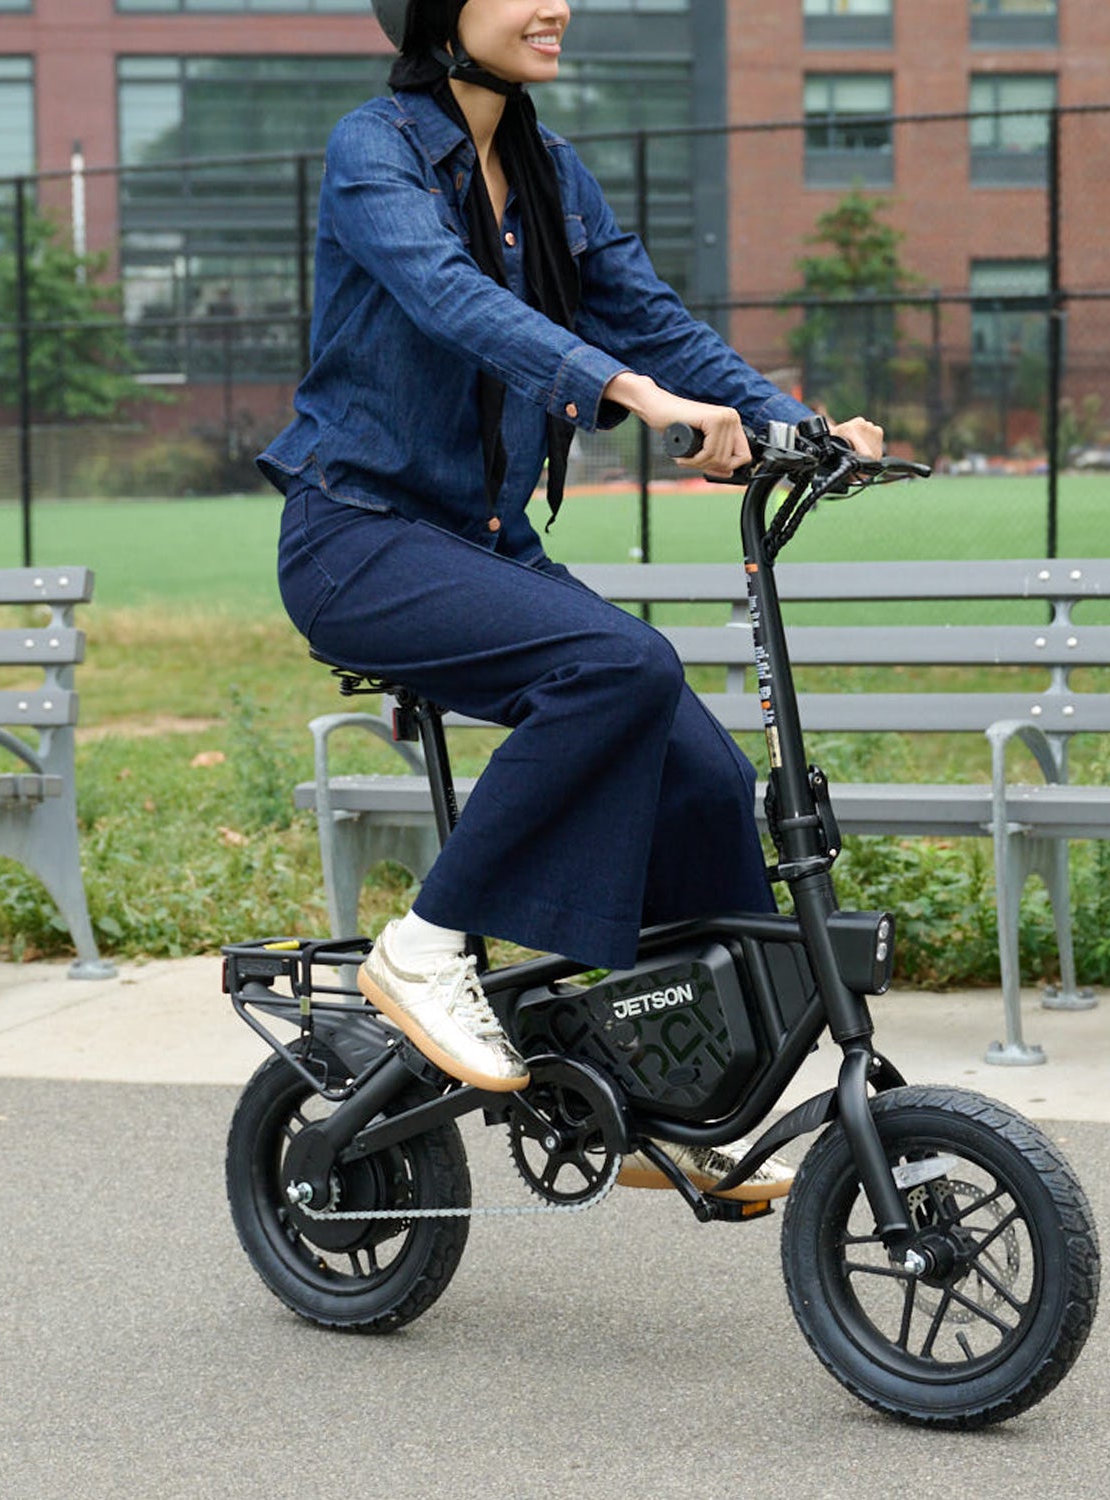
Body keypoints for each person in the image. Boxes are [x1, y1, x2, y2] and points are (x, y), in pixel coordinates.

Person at [259, 0, 883, 1200]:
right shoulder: (374, 150)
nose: (554, 4)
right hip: (360, 540)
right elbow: (454, 299)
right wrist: (633, 399)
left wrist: (791, 425)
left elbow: (647, 315)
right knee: (622, 666)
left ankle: (673, 1081)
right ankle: (427, 945)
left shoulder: (546, 172)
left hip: (483, 546)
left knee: (699, 776)